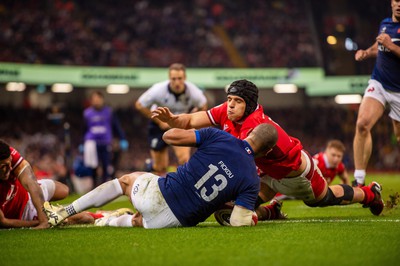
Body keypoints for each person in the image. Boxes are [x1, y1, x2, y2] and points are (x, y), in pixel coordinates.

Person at [152, 79, 385, 220]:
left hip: (295, 172)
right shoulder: (227, 110)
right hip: (266, 171)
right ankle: (272, 212)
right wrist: (173, 120)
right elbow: (191, 120)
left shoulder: (254, 126)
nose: (230, 105)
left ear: (250, 104)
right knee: (229, 210)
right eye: (229, 99)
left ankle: (369, 193)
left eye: (237, 101)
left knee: (322, 200)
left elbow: (236, 163)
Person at [43, 123, 278, 228]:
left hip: (160, 193)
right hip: (173, 222)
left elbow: (169, 137)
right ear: (266, 151)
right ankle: (106, 220)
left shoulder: (219, 136)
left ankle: (65, 212)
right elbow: (238, 221)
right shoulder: (251, 179)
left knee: (126, 180)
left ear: (249, 132)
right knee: (138, 220)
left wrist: (175, 124)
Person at [353, 0, 400, 187]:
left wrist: (392, 46)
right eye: (397, 0)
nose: (399, 4)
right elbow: (378, 47)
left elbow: (388, 45)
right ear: (392, 3)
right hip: (379, 83)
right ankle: (358, 179)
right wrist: (366, 52)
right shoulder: (385, 23)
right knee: (362, 124)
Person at [135, 63, 207, 175]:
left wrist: (192, 117)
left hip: (180, 125)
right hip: (159, 125)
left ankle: (182, 189)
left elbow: (203, 105)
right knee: (159, 167)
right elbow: (139, 104)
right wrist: (159, 122)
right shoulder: (158, 90)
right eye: (174, 79)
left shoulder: (194, 92)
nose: (177, 82)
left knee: (184, 161)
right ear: (169, 78)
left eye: (180, 78)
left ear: (185, 78)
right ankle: (151, 168)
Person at [0, 139, 69, 229]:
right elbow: (3, 222)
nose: (10, 168)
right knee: (83, 218)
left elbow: (31, 182)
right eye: (3, 166)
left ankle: (50, 211)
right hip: (23, 214)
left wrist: (44, 219)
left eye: (10, 163)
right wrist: (40, 222)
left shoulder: (11, 154)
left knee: (64, 190)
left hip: (26, 194)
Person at [83, 91, 129, 187]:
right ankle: (94, 186)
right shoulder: (87, 113)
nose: (96, 101)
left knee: (106, 164)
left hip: (105, 142)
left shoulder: (109, 112)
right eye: (94, 99)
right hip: (92, 143)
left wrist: (122, 138)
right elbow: (84, 128)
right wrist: (82, 142)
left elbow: (116, 126)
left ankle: (104, 186)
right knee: (93, 166)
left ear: (102, 99)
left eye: (98, 99)